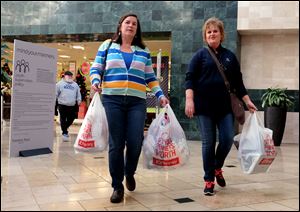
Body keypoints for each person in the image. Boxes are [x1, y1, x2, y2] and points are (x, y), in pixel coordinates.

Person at [90, 13, 169, 203]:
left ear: (137, 29)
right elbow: (96, 68)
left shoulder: (143, 50)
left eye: (134, 23)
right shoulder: (108, 46)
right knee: (116, 144)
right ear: (120, 26)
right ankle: (117, 185)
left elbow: (150, 77)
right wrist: (94, 81)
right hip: (112, 100)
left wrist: (160, 95)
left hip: (136, 102)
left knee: (135, 142)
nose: (131, 25)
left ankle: (129, 172)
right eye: (127, 22)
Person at [184, 17, 257, 196]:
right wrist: (189, 100)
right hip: (204, 107)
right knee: (208, 143)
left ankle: (217, 167)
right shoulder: (200, 55)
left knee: (226, 139)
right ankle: (209, 179)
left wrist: (247, 100)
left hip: (225, 108)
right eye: (209, 32)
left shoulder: (230, 56)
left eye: (215, 31)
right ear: (205, 36)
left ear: (221, 35)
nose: (212, 34)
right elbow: (190, 78)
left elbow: (238, 82)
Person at [56, 71, 81, 141]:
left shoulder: (75, 85)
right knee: (63, 118)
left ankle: (64, 127)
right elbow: (56, 93)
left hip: (72, 105)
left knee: (71, 118)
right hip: (62, 105)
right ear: (64, 76)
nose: (70, 77)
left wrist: (79, 100)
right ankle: (64, 132)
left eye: (71, 76)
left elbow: (78, 94)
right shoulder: (59, 84)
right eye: (68, 76)